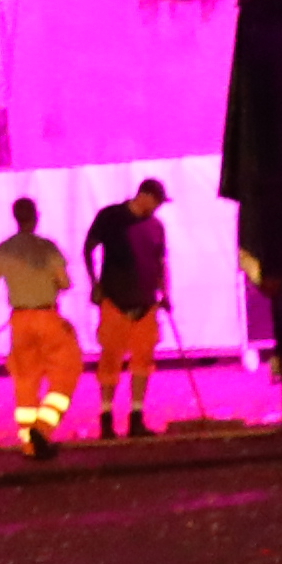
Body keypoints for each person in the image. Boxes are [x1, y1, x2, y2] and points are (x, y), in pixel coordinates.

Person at [0, 196, 80, 459]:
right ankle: (42, 429)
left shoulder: (3, 250)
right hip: (46, 317)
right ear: (35, 217)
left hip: (19, 321)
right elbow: (64, 283)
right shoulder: (47, 248)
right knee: (67, 371)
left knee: (25, 380)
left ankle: (28, 445)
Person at [87, 179, 173, 440]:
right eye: (156, 202)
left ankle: (136, 417)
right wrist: (95, 283)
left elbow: (160, 261)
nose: (157, 208)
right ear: (144, 196)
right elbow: (88, 248)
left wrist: (165, 293)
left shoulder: (156, 227)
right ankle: (106, 419)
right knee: (110, 359)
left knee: (143, 362)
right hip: (115, 300)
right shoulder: (111, 217)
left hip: (146, 302)